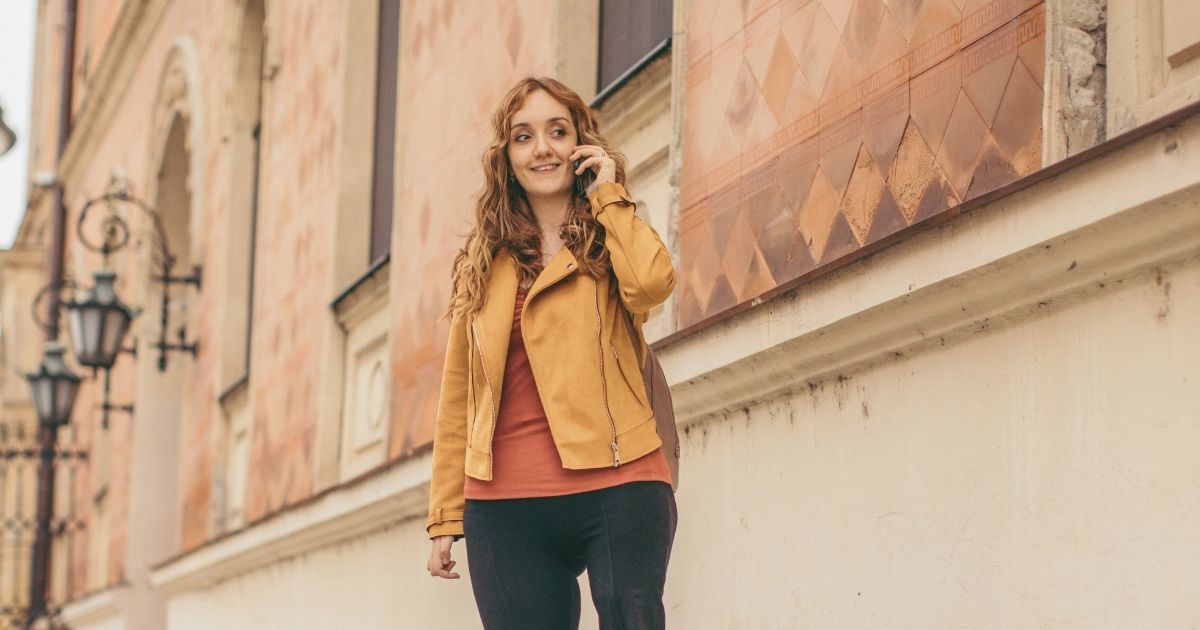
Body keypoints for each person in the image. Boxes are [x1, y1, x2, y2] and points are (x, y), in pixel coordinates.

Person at [424, 76, 679, 630]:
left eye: (557, 131)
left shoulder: (612, 237)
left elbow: (654, 284)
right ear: (506, 157)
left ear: (581, 145)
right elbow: (458, 394)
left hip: (620, 482)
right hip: (504, 504)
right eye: (523, 136)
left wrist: (608, 196)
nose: (542, 147)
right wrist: (446, 512)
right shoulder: (481, 261)